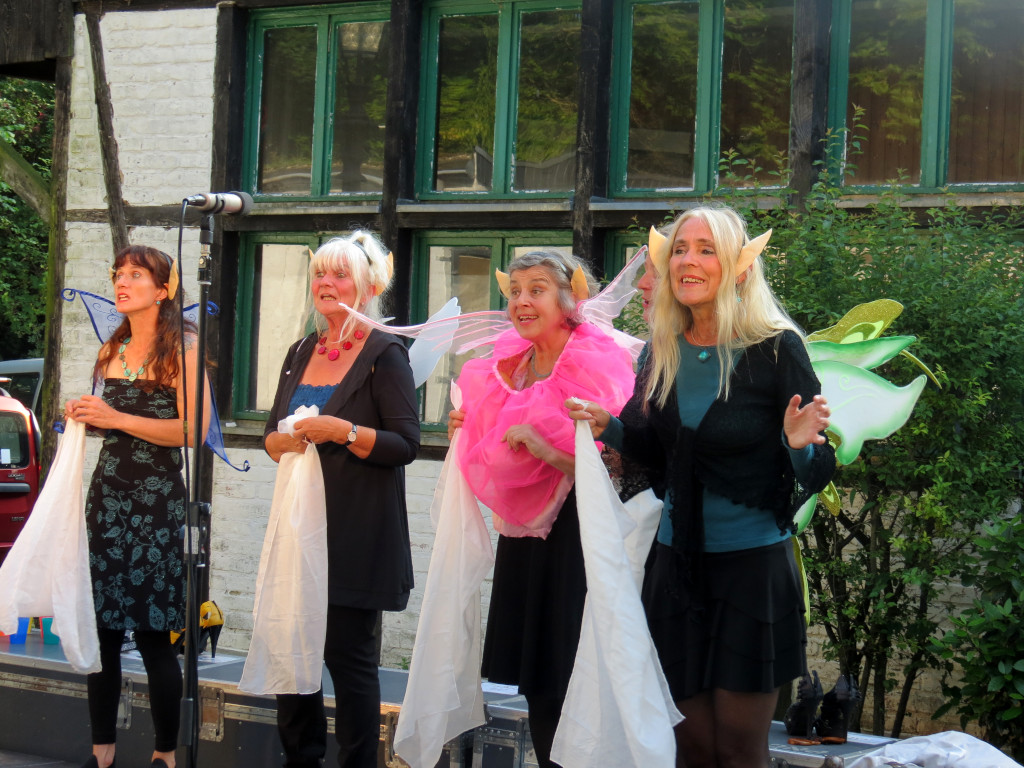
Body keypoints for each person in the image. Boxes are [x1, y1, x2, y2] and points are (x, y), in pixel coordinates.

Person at [569, 206, 835, 768]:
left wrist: (796, 444)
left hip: (751, 574)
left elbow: (816, 470)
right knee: (688, 747)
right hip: (676, 572)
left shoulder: (776, 348)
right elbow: (655, 453)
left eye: (706, 249)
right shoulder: (660, 349)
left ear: (739, 268)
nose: (688, 260)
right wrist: (608, 426)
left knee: (738, 751)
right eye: (680, 250)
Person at [447, 250, 635, 767]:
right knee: (536, 682)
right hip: (524, 537)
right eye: (515, 292)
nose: (521, 302)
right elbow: (494, 450)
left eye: (536, 289)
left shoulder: (599, 360)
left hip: (579, 538)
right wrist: (467, 429)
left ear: (570, 298)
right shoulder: (510, 365)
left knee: (572, 676)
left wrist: (546, 450)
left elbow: (623, 470)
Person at [262, 232, 420, 768]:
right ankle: (300, 759)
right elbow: (269, 437)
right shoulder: (300, 351)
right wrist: (284, 441)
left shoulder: (385, 353)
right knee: (292, 655)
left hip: (356, 533)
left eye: (340, 275)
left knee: (350, 665)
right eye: (319, 274)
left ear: (369, 287)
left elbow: (406, 445)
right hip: (297, 529)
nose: (326, 283)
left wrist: (344, 431)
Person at [65, 244, 211, 768]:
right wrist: (85, 414)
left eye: (135, 275)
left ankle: (164, 755)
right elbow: (109, 423)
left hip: (156, 504)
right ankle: (101, 753)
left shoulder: (184, 349)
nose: (122, 282)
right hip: (106, 499)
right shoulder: (112, 350)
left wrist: (115, 417)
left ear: (163, 290)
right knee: (102, 631)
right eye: (118, 274)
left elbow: (192, 431)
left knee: (153, 635)